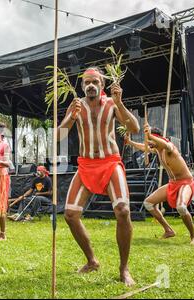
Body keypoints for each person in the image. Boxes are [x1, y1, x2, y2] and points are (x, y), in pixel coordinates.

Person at [58, 67, 140, 286]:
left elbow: (134, 128)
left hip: (110, 162)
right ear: (82, 86)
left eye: (95, 82)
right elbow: (58, 136)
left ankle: (124, 269)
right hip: (86, 165)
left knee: (123, 211)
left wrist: (120, 103)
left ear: (101, 85)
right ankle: (92, 260)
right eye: (86, 83)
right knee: (70, 214)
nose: (90, 85)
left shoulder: (112, 104)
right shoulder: (77, 106)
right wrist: (70, 118)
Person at [125, 126, 194, 245]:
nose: (148, 143)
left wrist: (150, 135)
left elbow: (166, 144)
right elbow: (142, 147)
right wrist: (130, 142)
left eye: (150, 140)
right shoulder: (157, 150)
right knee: (148, 203)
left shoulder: (169, 148)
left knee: (181, 207)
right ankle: (168, 230)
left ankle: (193, 236)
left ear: (157, 138)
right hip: (173, 184)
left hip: (185, 183)